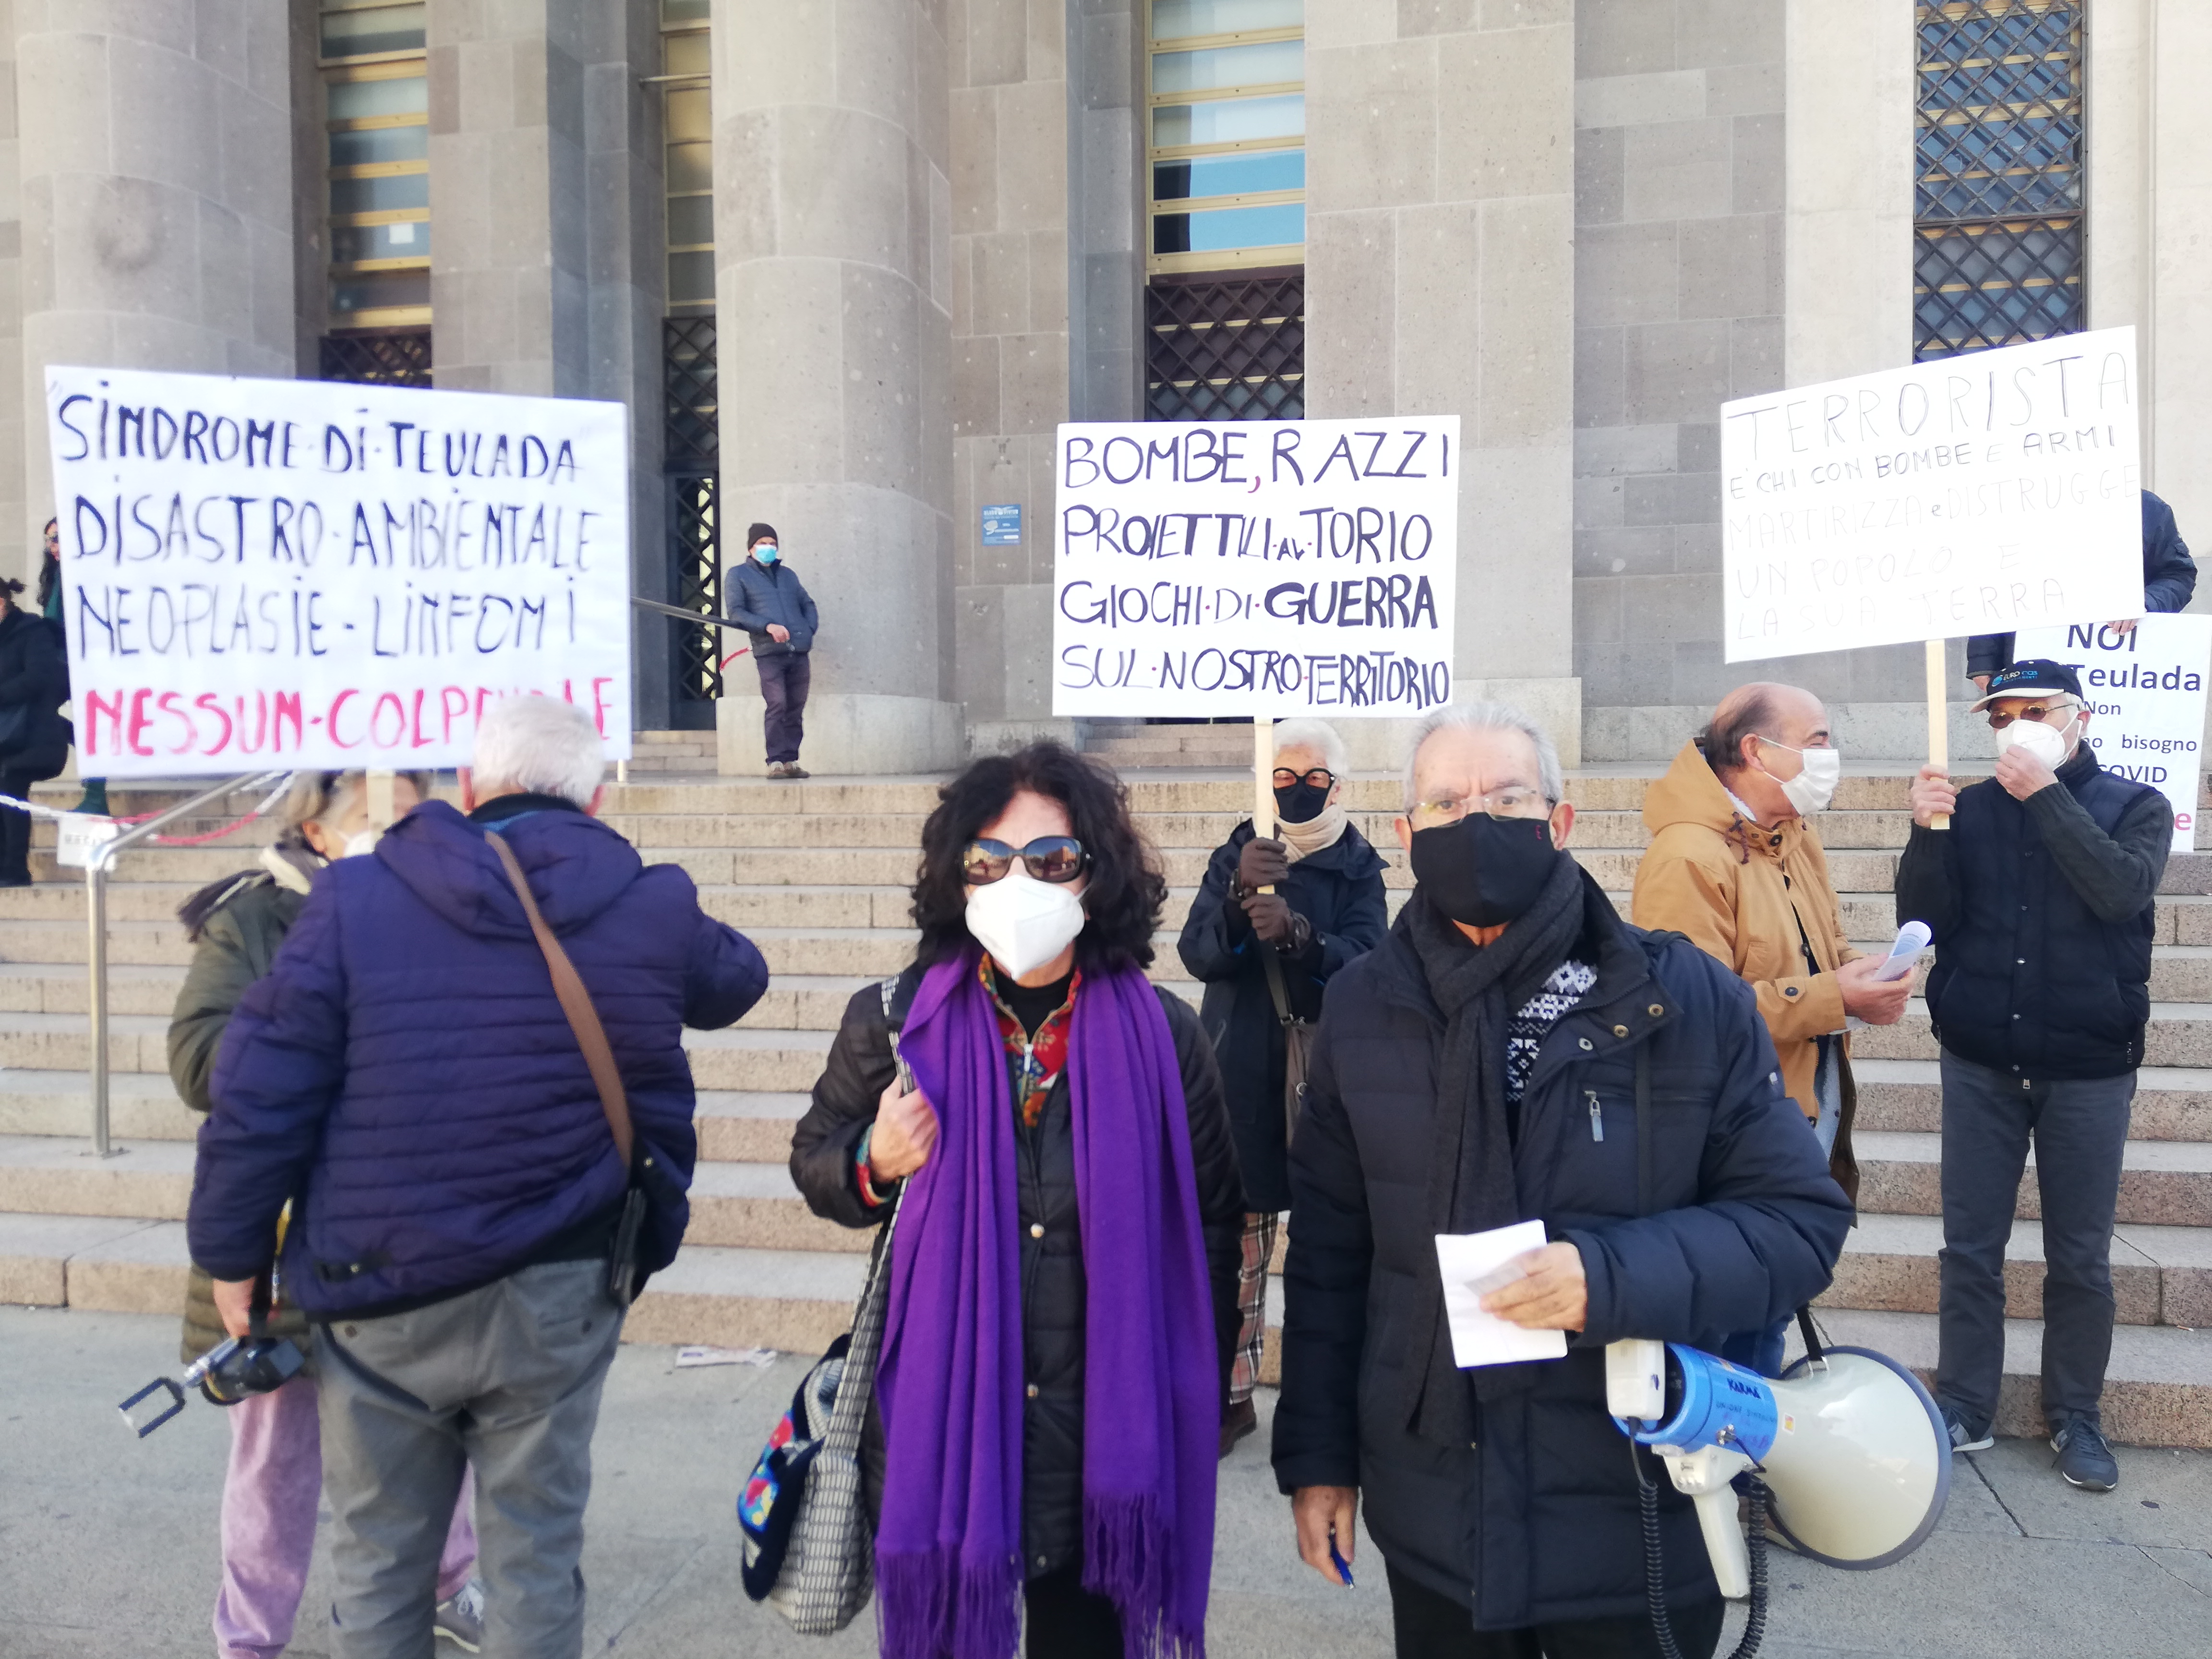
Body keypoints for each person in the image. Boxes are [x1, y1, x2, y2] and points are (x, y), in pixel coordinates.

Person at [187, 696, 769, 1658]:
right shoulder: (647, 900)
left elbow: (260, 1093)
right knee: (536, 1557)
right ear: (595, 799)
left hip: (380, 1284)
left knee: (378, 1562)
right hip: (563, 1281)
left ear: (466, 786)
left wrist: (233, 1255)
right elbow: (737, 979)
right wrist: (639, 897)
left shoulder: (356, 896)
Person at [1272, 703, 1851, 1657]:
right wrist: (1318, 1459)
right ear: (1407, 834)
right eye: (1447, 803)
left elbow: (1796, 1223)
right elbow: (1333, 1260)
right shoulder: (1364, 1007)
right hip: (1439, 1514)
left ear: (1560, 821)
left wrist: (1605, 1276)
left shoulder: (1683, 998)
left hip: (1635, 1508)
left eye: (1507, 798)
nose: (1476, 822)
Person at [791, 741, 1244, 1659]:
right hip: (950, 1430)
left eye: (1051, 858)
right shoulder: (894, 1022)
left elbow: (1210, 1225)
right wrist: (874, 1159)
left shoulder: (1166, 1036)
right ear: (955, 874)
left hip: (1103, 1440)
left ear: (1095, 873)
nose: (1017, 883)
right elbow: (817, 1163)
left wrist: (1192, 1390)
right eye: (987, 860)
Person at [167, 770, 486, 1658]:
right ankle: (251, 1634)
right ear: (316, 828)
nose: (396, 830)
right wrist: (320, 1023)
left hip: (409, 1225)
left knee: (432, 1425)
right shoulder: (254, 916)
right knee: (274, 1455)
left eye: (410, 811)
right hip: (283, 1233)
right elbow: (197, 1061)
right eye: (375, 814)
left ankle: (450, 1581)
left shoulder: (448, 907)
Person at [1896, 658, 2170, 1494]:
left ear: (2077, 717)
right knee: (1969, 1247)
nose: (2013, 726)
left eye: (2033, 711)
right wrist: (1925, 831)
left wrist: (2046, 796)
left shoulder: (2135, 804)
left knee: (2079, 1256)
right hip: (1981, 1057)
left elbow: (2120, 892)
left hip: (2087, 1066)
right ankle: (1964, 1403)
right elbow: (1924, 917)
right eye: (1998, 714)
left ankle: (2075, 1412)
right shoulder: (1972, 808)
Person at [1633, 683, 1911, 1375]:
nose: (1830, 755)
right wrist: (1832, 997)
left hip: (1803, 1104)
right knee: (1732, 1323)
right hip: (1737, 1128)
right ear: (1757, 751)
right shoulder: (1688, 856)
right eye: (1817, 741)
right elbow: (1691, 1012)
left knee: (1771, 1304)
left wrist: (1863, 975)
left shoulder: (1792, 833)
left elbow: (1824, 946)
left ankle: (1753, 1428)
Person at [1178, 717, 1387, 1454]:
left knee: (1330, 1253)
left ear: (1339, 785)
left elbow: (1372, 965)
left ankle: (1321, 1404)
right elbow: (1199, 955)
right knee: (1235, 1256)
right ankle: (1229, 1398)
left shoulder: (1359, 866)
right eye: (1284, 778)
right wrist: (1237, 896)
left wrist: (1304, 940)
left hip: (1328, 1077)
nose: (1299, 790)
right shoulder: (1239, 851)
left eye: (1314, 779)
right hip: (1241, 1076)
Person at [1966, 487, 2196, 689]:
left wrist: (2143, 602)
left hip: (2119, 670)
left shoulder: (2144, 507)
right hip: (2029, 666)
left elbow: (2177, 575)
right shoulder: (2016, 505)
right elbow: (1993, 581)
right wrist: (1983, 661)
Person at [726, 522, 818, 779]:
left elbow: (807, 603)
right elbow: (737, 612)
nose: (768, 547)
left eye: (772, 543)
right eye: (762, 543)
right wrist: (767, 626)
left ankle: (791, 761)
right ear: (751, 548)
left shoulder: (788, 575)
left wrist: (808, 629)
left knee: (796, 708)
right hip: (769, 652)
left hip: (798, 651)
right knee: (777, 704)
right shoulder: (738, 575)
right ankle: (775, 761)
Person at [0, 572, 70, 887]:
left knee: (11, 786)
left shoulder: (32, 631)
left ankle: (15, 869)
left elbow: (40, 677)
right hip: (6, 735)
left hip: (34, 736)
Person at [35, 516, 106, 817]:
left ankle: (96, 795)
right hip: (60, 662)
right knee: (39, 713)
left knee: (90, 723)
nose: (53, 546)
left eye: (57, 539)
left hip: (85, 661)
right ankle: (95, 791)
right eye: (49, 540)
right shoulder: (55, 576)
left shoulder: (88, 573)